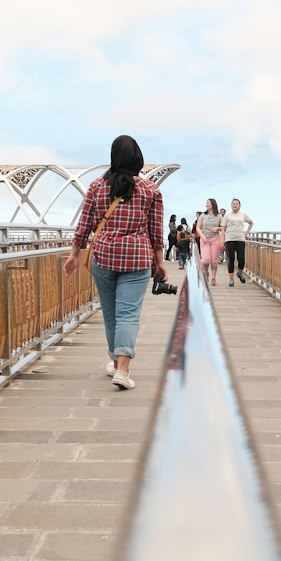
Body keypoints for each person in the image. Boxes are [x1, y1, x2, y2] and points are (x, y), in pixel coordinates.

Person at [63, 135, 166, 390]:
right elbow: (156, 231)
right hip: (137, 258)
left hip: (104, 257)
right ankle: (122, 368)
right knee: (128, 314)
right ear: (138, 159)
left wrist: (74, 255)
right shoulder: (151, 190)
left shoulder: (97, 187)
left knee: (111, 314)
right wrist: (160, 262)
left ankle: (116, 362)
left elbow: (84, 225)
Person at [222, 198, 254, 286]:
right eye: (233, 203)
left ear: (239, 205)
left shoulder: (243, 215)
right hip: (229, 239)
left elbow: (251, 222)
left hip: (240, 238)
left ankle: (239, 273)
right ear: (231, 205)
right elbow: (223, 228)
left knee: (241, 259)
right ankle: (231, 280)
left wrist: (246, 232)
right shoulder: (227, 215)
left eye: (236, 203)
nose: (234, 205)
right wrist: (222, 240)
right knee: (231, 259)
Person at [197, 198, 223, 287]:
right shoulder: (203, 215)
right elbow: (198, 228)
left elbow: (224, 228)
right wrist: (203, 236)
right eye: (206, 203)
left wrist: (217, 228)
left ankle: (213, 278)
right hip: (205, 239)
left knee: (214, 260)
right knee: (206, 259)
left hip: (215, 239)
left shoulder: (219, 216)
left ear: (213, 204)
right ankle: (206, 273)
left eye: (208, 203)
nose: (206, 204)